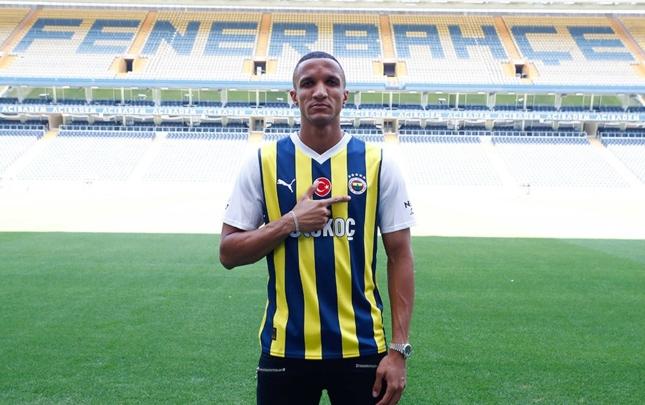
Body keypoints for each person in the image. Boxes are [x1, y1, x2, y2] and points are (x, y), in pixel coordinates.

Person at [219, 51, 415, 405]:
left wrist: (399, 349)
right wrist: (291, 221)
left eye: (331, 82)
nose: (320, 91)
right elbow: (228, 253)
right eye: (308, 83)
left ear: (345, 95)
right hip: (286, 347)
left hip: (362, 347)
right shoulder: (263, 162)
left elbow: (400, 256)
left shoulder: (378, 163)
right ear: (294, 96)